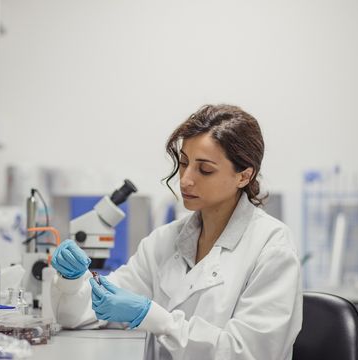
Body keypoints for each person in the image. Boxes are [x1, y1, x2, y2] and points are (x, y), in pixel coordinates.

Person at [50, 104, 302, 360]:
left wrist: (156, 319)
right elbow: (80, 316)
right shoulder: (164, 241)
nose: (185, 180)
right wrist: (71, 282)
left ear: (244, 176)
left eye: (205, 169)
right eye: (183, 163)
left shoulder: (271, 247)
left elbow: (248, 353)